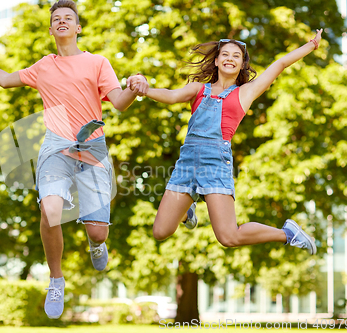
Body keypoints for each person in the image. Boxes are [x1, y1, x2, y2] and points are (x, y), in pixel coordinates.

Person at [0, 0, 148, 319]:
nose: (62, 21)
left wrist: (135, 88)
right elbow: (4, 79)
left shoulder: (98, 62)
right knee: (51, 209)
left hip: (92, 147)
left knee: (98, 231)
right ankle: (56, 279)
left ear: (78, 27)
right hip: (56, 146)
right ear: (52, 28)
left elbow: (120, 103)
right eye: (56, 18)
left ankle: (96, 244)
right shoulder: (43, 66)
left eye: (68, 17)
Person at [128, 30, 323, 254]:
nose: (230, 58)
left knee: (228, 237)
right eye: (225, 54)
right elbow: (171, 96)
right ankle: (187, 211)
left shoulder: (245, 92)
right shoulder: (198, 89)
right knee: (160, 232)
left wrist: (311, 46)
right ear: (217, 61)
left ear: (242, 65)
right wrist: (145, 90)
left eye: (236, 56)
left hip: (215, 164)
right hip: (187, 163)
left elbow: (279, 64)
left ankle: (288, 233)